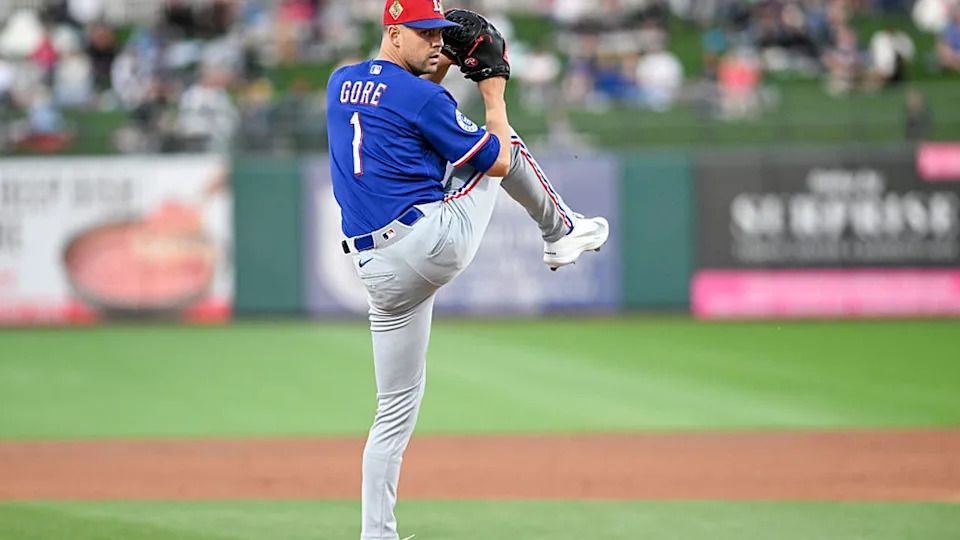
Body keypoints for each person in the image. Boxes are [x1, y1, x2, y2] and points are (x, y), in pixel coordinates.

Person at [325, 2, 609, 539]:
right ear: (393, 31)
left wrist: (442, 62)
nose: (436, 41)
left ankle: (375, 535)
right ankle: (561, 231)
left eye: (439, 32)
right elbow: (495, 161)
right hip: (429, 245)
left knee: (391, 415)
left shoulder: (340, 82)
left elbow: (398, 94)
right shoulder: (423, 97)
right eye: (425, 32)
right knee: (502, 142)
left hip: (376, 270)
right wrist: (493, 88)